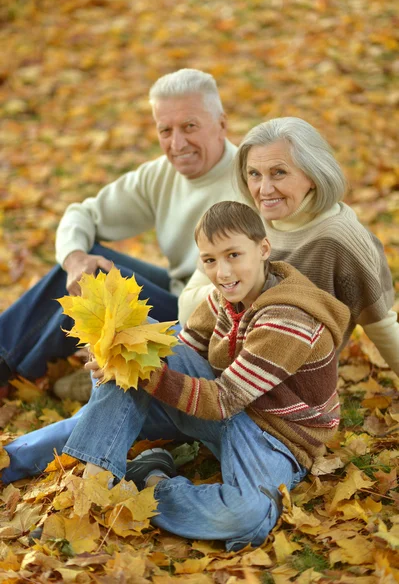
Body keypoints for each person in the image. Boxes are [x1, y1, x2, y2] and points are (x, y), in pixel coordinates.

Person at [58, 201, 350, 550]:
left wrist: (139, 370)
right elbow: (182, 351)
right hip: (229, 408)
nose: (222, 272)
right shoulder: (224, 299)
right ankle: (96, 477)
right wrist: (114, 353)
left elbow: (222, 400)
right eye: (210, 260)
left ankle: (148, 481)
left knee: (246, 515)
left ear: (263, 249)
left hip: (278, 437)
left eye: (233, 255)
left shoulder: (287, 318)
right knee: (132, 339)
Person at [0, 68, 243, 401]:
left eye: (190, 126)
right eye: (165, 130)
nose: (177, 143)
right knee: (86, 263)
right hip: (177, 295)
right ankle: (11, 368)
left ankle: (15, 373)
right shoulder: (160, 175)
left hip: (205, 325)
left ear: (222, 124)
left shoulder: (249, 179)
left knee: (99, 277)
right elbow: (81, 214)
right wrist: (74, 260)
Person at [179, 117, 399, 377]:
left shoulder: (340, 239)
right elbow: (185, 308)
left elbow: (382, 325)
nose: (264, 189)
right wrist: (238, 284)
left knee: (134, 352)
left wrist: (248, 287)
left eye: (279, 172)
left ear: (314, 176)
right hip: (211, 343)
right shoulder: (248, 216)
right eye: (254, 174)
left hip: (266, 377)